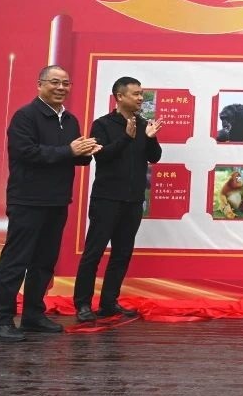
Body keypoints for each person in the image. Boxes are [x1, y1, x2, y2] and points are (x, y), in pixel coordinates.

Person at [0, 65, 99, 342]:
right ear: (40, 84)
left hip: (57, 200)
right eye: (54, 82)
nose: (61, 88)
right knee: (15, 261)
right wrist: (69, 150)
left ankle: (33, 315)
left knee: (44, 262)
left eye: (66, 83)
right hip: (27, 200)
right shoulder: (25, 116)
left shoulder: (70, 120)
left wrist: (86, 152)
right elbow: (26, 153)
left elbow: (71, 157)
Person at [73, 76, 162, 323]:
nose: (141, 98)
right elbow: (102, 157)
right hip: (106, 199)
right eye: (136, 94)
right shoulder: (102, 124)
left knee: (122, 253)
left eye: (141, 93)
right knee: (94, 252)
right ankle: (82, 304)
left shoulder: (143, 124)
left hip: (133, 201)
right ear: (120, 96)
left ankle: (109, 303)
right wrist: (126, 137)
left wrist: (151, 137)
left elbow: (154, 157)